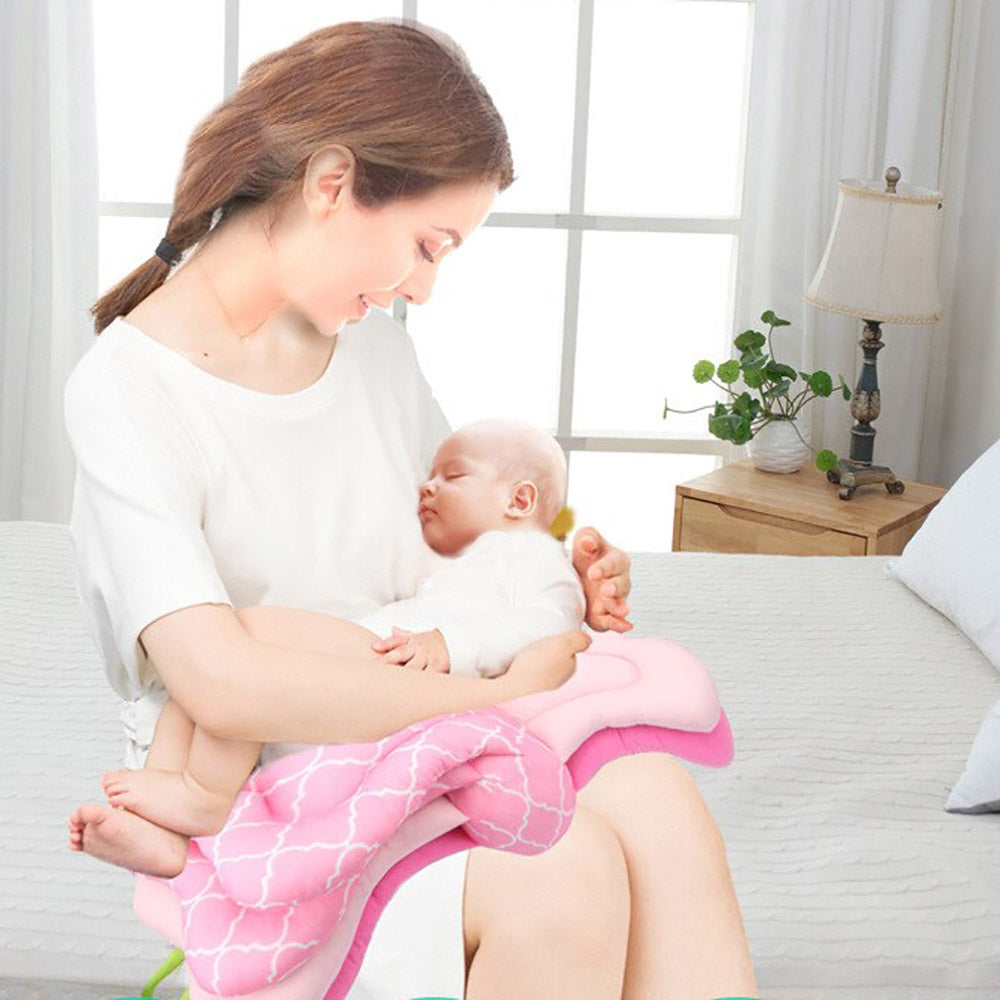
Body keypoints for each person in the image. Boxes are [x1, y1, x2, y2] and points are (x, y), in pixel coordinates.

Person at [65, 19, 757, 1000]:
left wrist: (555, 563)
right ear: (331, 183)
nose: (424, 288)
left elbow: (459, 538)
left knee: (660, 801)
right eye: (427, 247)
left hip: (408, 733)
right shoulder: (129, 391)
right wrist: (496, 698)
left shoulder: (375, 350)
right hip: (264, 788)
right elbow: (222, 690)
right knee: (563, 874)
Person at [93, 416, 587, 843]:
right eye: (429, 476)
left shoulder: (535, 556)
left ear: (520, 499)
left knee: (244, 636)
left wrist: (451, 646)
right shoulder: (462, 562)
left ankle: (202, 794)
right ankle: (165, 790)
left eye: (452, 475)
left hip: (408, 677)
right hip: (373, 672)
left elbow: (550, 625)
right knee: (219, 645)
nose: (428, 487)